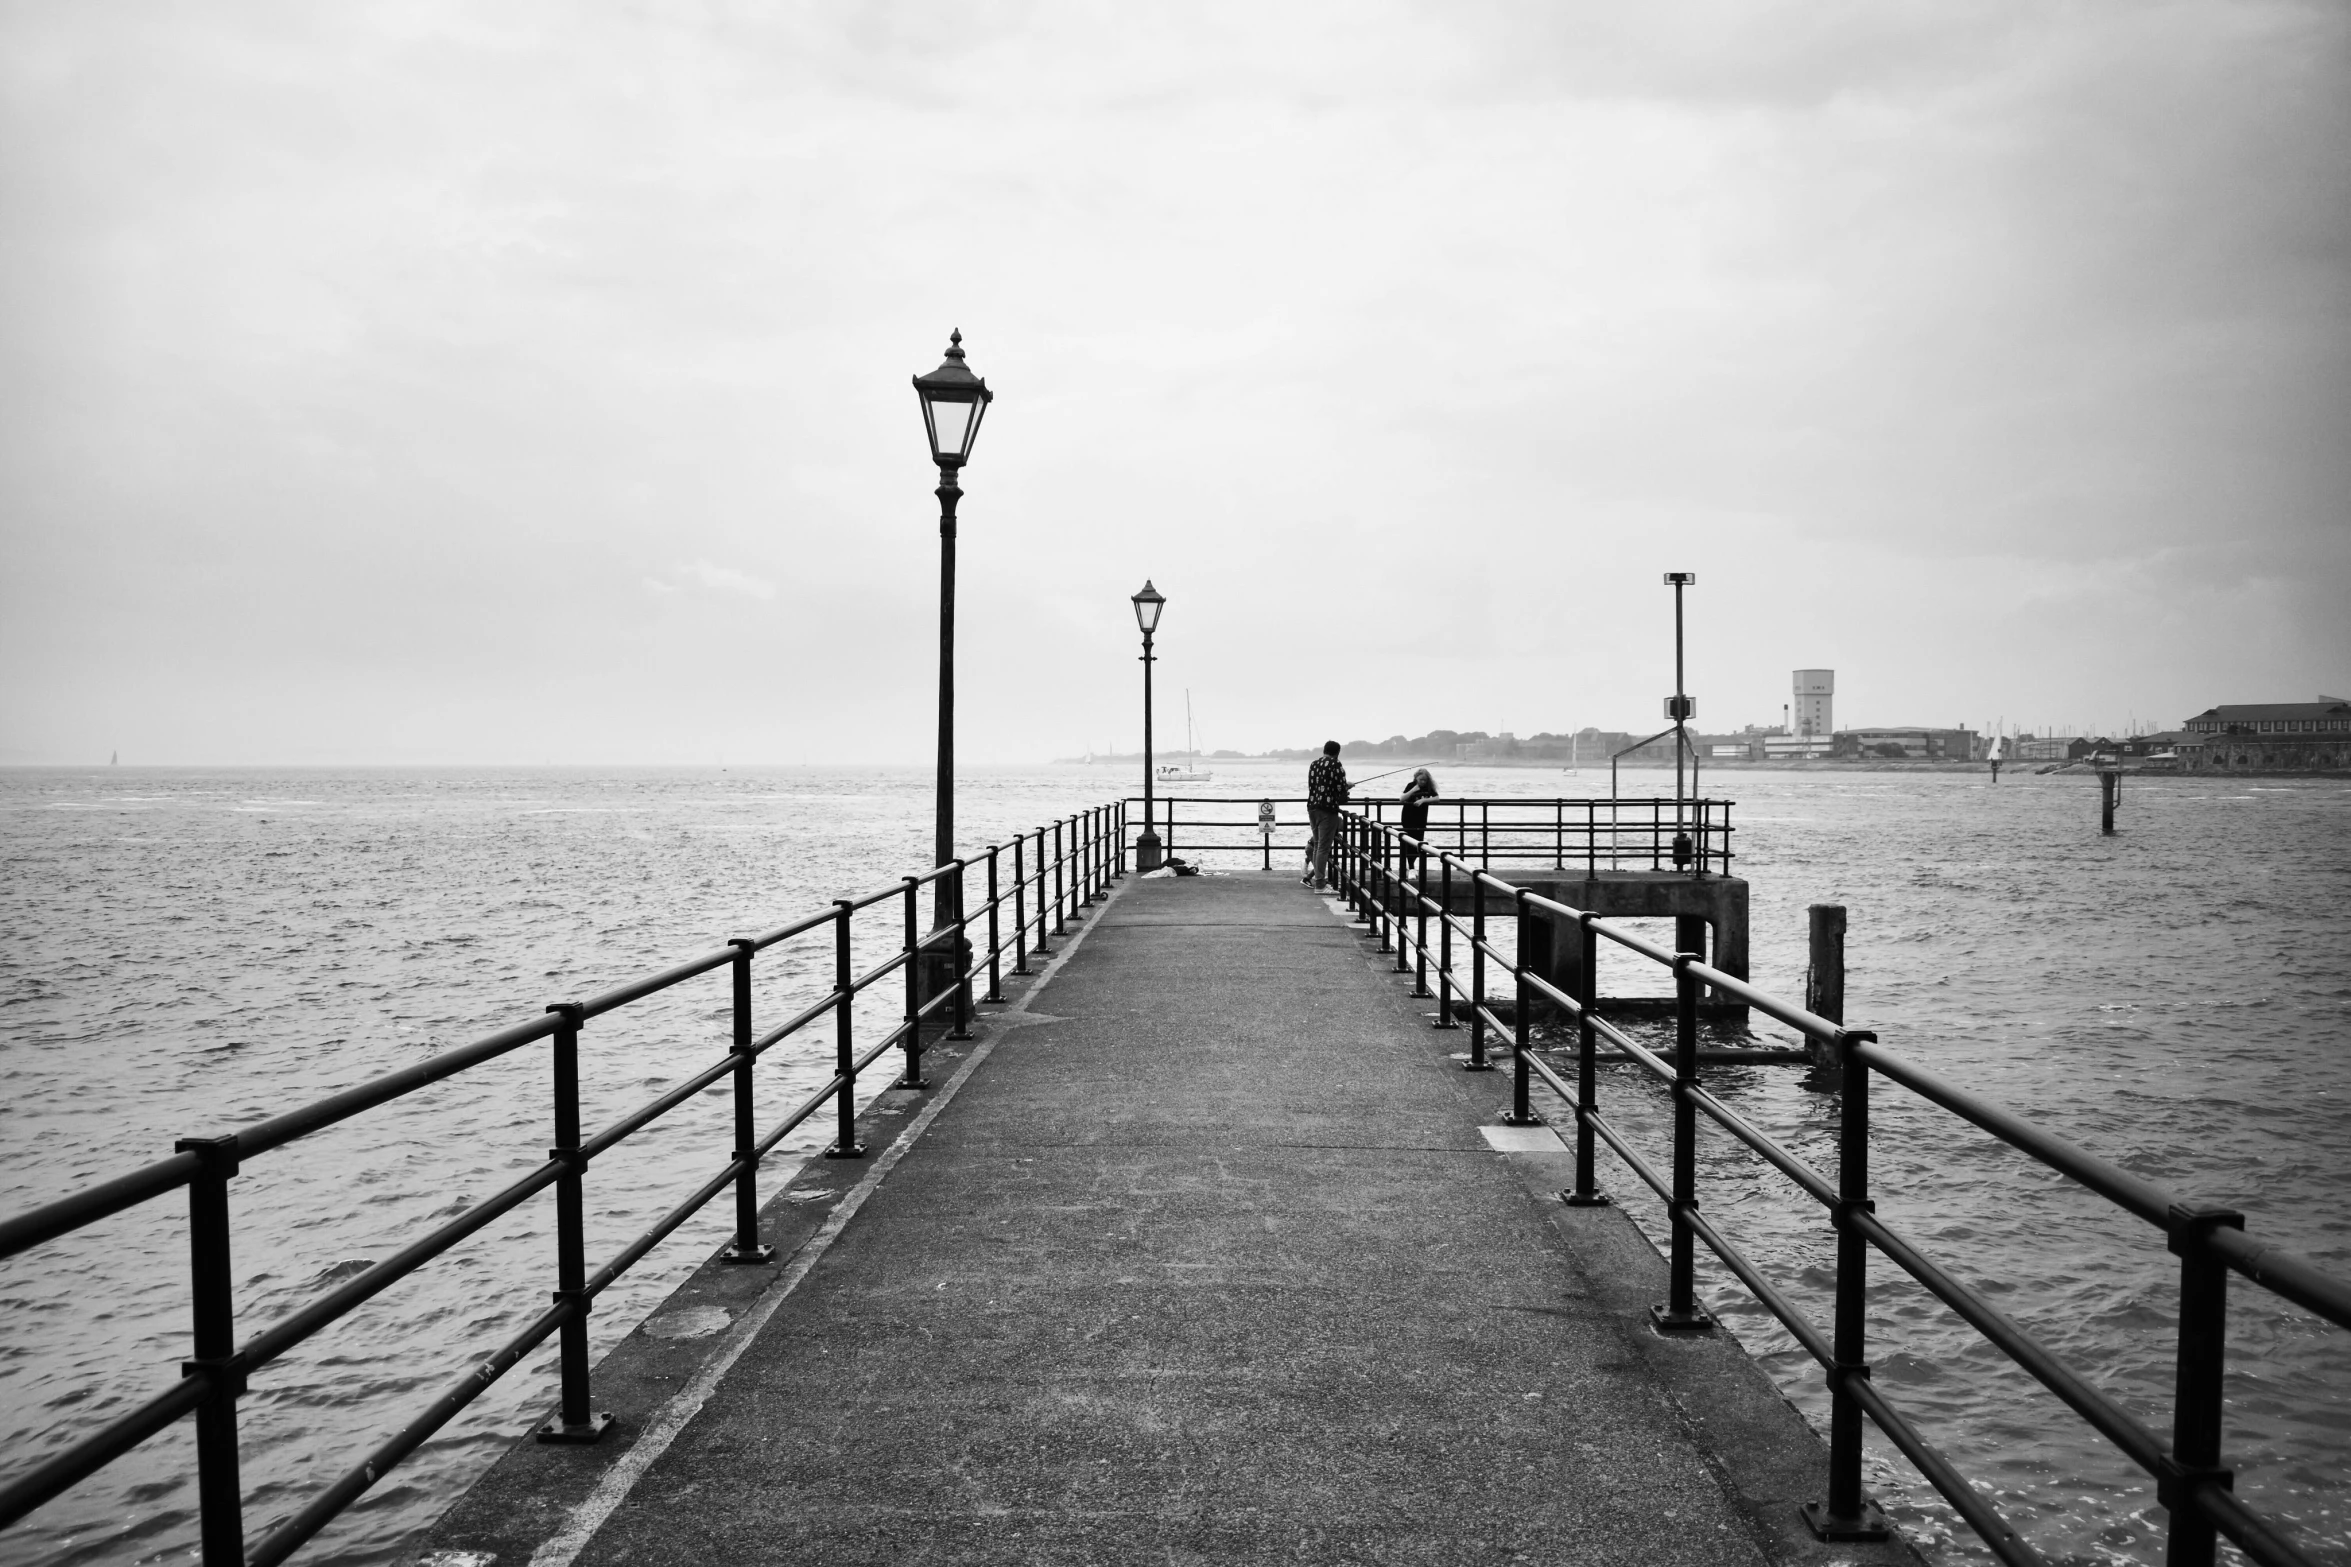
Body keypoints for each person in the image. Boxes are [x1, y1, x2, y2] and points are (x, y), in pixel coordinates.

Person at [1302, 740, 1348, 889]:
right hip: (1327, 810)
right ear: (1337, 753)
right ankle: (1320, 884)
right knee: (1323, 848)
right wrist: (1346, 789)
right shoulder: (1336, 764)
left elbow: (1316, 785)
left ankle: (1319, 881)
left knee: (1317, 846)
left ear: (1324, 750)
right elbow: (1341, 792)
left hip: (1312, 807)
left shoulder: (1314, 764)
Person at [1398, 767, 1438, 873]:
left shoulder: (1428, 788)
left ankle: (1412, 865)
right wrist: (1413, 790)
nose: (1423, 782)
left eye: (1425, 780)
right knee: (1409, 841)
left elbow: (1437, 798)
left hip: (1421, 818)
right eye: (1421, 780)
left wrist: (1424, 800)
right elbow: (1402, 799)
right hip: (1408, 817)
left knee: (1419, 841)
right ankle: (1411, 867)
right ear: (1416, 778)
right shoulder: (1411, 785)